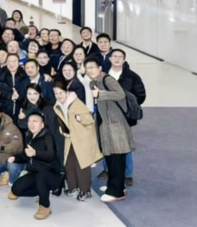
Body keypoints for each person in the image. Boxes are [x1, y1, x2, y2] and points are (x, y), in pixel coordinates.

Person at [86, 56, 133, 203]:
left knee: (117, 158)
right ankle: (116, 185)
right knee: (110, 158)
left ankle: (116, 191)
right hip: (105, 124)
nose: (90, 70)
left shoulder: (107, 79)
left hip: (116, 124)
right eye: (87, 68)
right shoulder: (94, 82)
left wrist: (101, 94)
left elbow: (120, 94)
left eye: (92, 67)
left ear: (100, 68)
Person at [7, 112, 63, 221]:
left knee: (42, 176)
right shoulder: (29, 136)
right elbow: (25, 154)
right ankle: (41, 192)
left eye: (35, 121)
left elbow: (51, 155)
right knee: (16, 189)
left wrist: (35, 153)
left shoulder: (48, 136)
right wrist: (15, 158)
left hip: (50, 174)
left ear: (42, 125)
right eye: (29, 121)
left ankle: (45, 206)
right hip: (35, 172)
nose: (31, 124)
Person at [53, 79, 102, 201]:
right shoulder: (57, 106)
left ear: (66, 91)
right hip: (70, 138)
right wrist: (63, 130)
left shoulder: (76, 103)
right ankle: (73, 187)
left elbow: (90, 119)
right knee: (69, 163)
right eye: (56, 93)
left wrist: (81, 118)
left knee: (82, 164)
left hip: (83, 137)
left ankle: (85, 191)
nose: (59, 96)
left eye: (61, 93)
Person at [105, 48, 146, 186]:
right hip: (106, 115)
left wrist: (129, 107)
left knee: (125, 144)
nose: (117, 59)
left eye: (120, 57)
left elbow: (141, 95)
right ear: (110, 59)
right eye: (114, 56)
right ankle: (107, 170)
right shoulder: (103, 75)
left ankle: (127, 174)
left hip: (124, 117)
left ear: (124, 60)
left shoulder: (132, 76)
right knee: (106, 142)